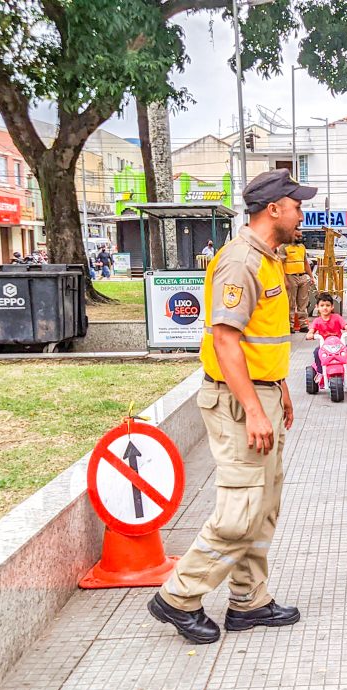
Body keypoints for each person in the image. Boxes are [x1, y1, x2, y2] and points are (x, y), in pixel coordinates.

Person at [148, 168, 316, 644]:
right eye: (297, 205)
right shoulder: (240, 261)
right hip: (238, 400)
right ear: (274, 210)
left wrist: (278, 387)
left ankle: (249, 600)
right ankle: (178, 595)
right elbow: (225, 340)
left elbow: (262, 337)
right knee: (241, 509)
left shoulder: (268, 258)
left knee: (263, 504)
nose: (301, 213)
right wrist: (255, 408)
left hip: (261, 390)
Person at [306, 292, 347, 374]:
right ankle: (320, 372)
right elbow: (312, 330)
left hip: (339, 345)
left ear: (332, 307)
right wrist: (310, 334)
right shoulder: (317, 321)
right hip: (324, 347)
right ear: (317, 307)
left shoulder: (337, 317)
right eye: (322, 305)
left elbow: (345, 325)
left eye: (327, 305)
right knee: (317, 352)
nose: (325, 308)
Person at [282, 232, 313, 333]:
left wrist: (311, 276)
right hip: (290, 276)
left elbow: (305, 262)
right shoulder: (284, 247)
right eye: (298, 236)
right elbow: (280, 264)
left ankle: (303, 324)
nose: (300, 238)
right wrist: (284, 279)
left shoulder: (302, 247)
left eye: (301, 236)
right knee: (291, 302)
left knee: (303, 302)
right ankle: (290, 325)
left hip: (302, 276)